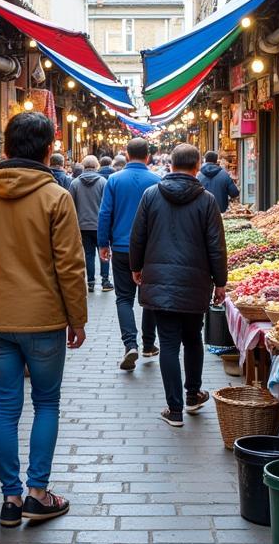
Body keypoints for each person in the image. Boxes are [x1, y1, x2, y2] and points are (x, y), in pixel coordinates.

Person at [0, 112, 87, 526]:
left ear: (6, 148)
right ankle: (38, 493)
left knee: (8, 407)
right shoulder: (56, 197)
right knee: (46, 402)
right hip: (45, 319)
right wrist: (77, 318)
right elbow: (70, 266)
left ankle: (10, 501)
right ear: (49, 149)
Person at [130, 143, 227, 427]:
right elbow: (216, 246)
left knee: (169, 343)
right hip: (195, 282)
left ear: (170, 165)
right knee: (193, 338)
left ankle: (174, 410)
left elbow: (138, 237)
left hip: (159, 282)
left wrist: (136, 267)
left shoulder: (150, 196)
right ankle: (193, 395)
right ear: (197, 167)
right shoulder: (207, 200)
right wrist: (220, 282)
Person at [97, 137, 160, 370]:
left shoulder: (114, 180)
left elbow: (105, 213)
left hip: (122, 249)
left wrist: (103, 243)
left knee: (124, 298)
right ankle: (148, 344)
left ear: (126, 153)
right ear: (148, 156)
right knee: (149, 298)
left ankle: (129, 344)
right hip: (149, 251)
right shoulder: (156, 180)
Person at [70, 155, 112, 293]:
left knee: (88, 254)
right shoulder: (102, 182)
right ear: (96, 166)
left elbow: (71, 206)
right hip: (100, 225)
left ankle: (91, 282)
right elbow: (107, 205)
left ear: (83, 166)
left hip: (82, 225)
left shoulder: (75, 183)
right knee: (104, 252)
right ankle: (105, 281)